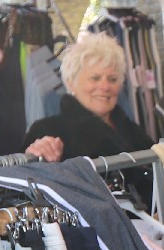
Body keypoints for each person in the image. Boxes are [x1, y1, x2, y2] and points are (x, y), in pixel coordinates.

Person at [22, 33, 151, 162]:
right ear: (71, 82)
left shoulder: (132, 131)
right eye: (95, 78)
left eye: (112, 79)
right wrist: (35, 158)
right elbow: (20, 171)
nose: (105, 87)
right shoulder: (47, 131)